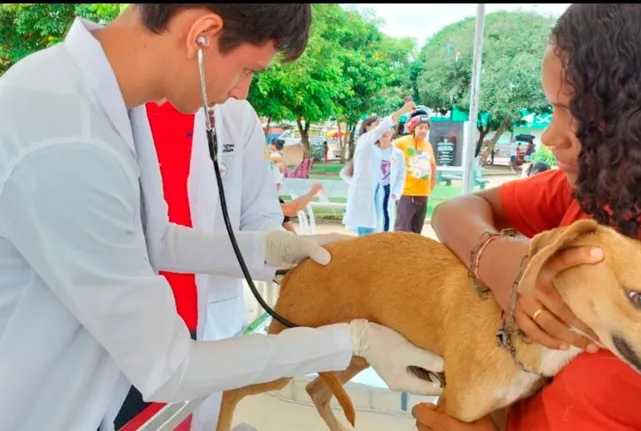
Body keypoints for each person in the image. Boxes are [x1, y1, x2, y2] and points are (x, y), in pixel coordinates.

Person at [0, 5, 443, 430]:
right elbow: (166, 366)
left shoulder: (106, 99)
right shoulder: (69, 142)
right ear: (201, 34)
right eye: (248, 69)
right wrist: (351, 341)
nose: (241, 91)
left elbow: (153, 240)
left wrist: (269, 249)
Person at [415, 4, 641, 431]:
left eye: (575, 111)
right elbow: (454, 211)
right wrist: (504, 265)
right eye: (550, 109)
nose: (548, 136)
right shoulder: (605, 190)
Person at [112, 98, 286, 431]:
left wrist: (281, 251)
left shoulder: (235, 117)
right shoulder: (115, 106)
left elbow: (260, 217)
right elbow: (158, 240)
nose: (242, 86)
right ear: (200, 44)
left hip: (202, 322)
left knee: (187, 419)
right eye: (243, 67)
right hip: (125, 324)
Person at [342, 102, 413, 235]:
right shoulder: (365, 142)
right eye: (378, 126)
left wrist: (394, 193)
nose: (383, 129)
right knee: (367, 236)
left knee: (383, 230)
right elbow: (347, 173)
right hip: (366, 199)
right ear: (368, 128)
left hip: (382, 194)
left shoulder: (391, 152)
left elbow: (400, 175)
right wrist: (402, 110)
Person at [393, 109, 437, 234]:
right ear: (413, 128)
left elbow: (432, 167)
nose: (423, 131)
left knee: (416, 231)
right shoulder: (401, 142)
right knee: (402, 229)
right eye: (420, 127)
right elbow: (387, 152)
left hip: (423, 194)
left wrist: (430, 186)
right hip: (407, 194)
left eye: (426, 128)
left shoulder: (428, 145)